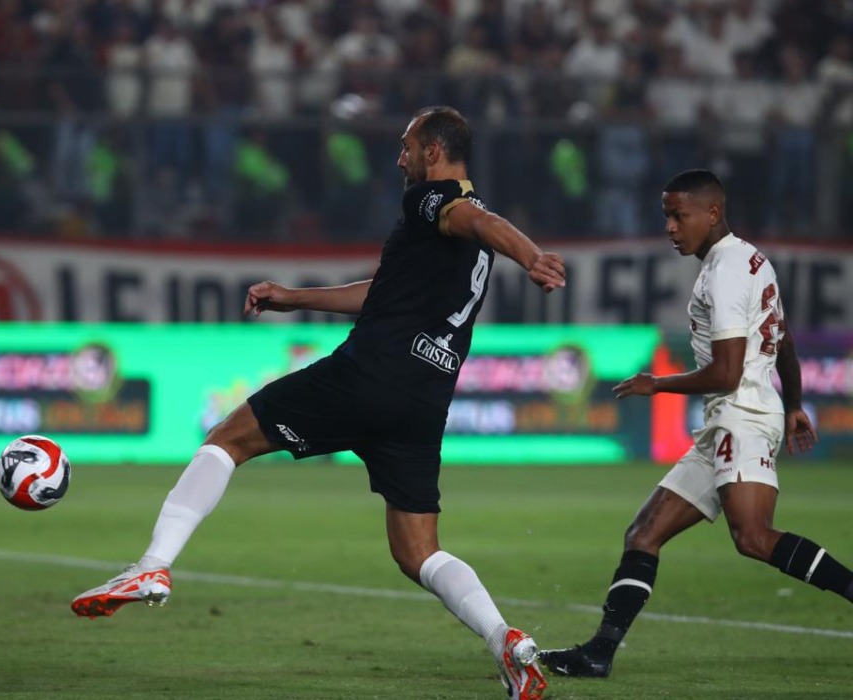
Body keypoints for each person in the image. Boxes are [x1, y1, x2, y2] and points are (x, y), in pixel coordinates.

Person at [70, 107, 566, 700]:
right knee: (418, 552)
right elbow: (385, 292)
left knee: (227, 439)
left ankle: (153, 563)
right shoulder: (468, 229)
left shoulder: (434, 202)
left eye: (407, 146)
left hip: (371, 373)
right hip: (424, 401)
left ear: (434, 152)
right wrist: (293, 298)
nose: (399, 158)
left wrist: (532, 255)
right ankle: (505, 642)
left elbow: (475, 221)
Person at [538, 169, 853, 679]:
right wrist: (794, 403)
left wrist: (656, 384)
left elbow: (727, 373)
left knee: (752, 536)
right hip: (733, 418)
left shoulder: (727, 270)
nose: (669, 226)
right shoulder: (751, 259)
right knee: (643, 533)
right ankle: (599, 653)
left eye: (678, 215)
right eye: (666, 214)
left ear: (711, 212)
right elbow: (785, 339)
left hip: (742, 416)